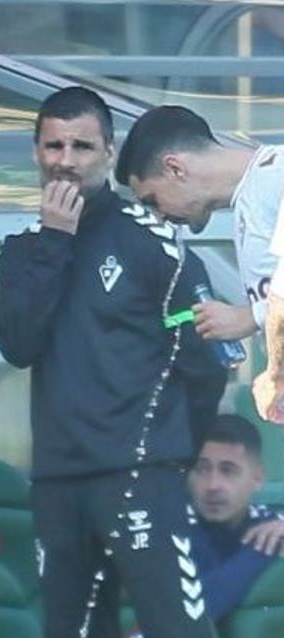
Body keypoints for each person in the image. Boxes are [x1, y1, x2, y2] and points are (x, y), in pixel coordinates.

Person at [0, 86, 227, 638]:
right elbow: (17, 344)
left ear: (108, 152)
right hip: (59, 484)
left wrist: (173, 455)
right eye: (54, 145)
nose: (66, 159)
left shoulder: (152, 242)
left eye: (82, 146)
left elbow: (204, 360)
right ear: (37, 152)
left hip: (142, 479)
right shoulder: (25, 250)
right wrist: (54, 243)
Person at [111, 106, 284, 420]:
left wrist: (250, 316)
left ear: (175, 168)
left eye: (152, 200)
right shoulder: (251, 198)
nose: (159, 215)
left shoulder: (277, 175)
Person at [188, 414, 284, 619]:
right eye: (201, 469)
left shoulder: (270, 525)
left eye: (228, 471)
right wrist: (261, 551)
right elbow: (195, 610)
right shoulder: (170, 529)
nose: (212, 485)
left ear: (257, 478)